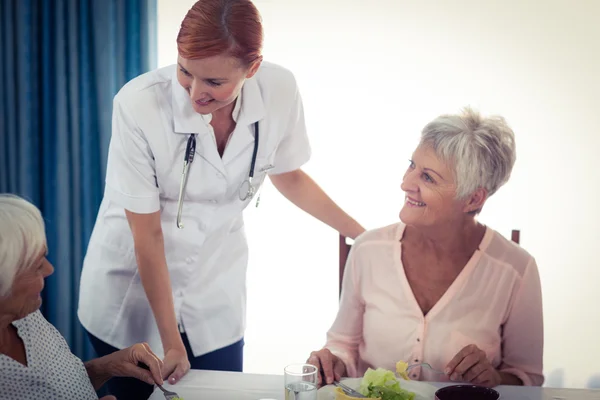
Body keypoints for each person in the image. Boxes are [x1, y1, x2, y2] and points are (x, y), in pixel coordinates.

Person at [77, 0, 365, 399]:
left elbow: (288, 174)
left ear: (253, 68)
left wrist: (363, 236)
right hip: (132, 295)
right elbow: (147, 235)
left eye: (214, 82)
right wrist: (170, 342)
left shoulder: (279, 90)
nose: (196, 92)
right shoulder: (139, 104)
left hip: (215, 291)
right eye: (184, 71)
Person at [308, 108, 544, 388]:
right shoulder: (367, 250)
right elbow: (342, 343)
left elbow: (527, 377)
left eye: (428, 177)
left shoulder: (516, 269)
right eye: (412, 165)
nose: (406, 184)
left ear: (472, 199)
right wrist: (333, 360)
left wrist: (494, 378)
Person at [0, 194, 163, 400]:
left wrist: (106, 367)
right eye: (37, 266)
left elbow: (56, 388)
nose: (50, 269)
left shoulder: (27, 317)